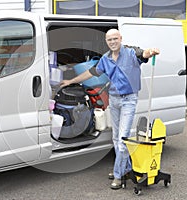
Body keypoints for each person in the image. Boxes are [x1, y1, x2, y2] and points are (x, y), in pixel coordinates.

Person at [60, 28, 160, 189]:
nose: (113, 42)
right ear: (106, 42)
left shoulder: (131, 52)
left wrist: (152, 51)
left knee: (123, 139)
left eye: (115, 38)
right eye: (109, 40)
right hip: (114, 101)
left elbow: (144, 54)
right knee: (115, 138)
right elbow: (91, 73)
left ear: (120, 38)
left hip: (129, 100)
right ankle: (125, 168)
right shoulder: (105, 59)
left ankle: (119, 176)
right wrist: (71, 81)